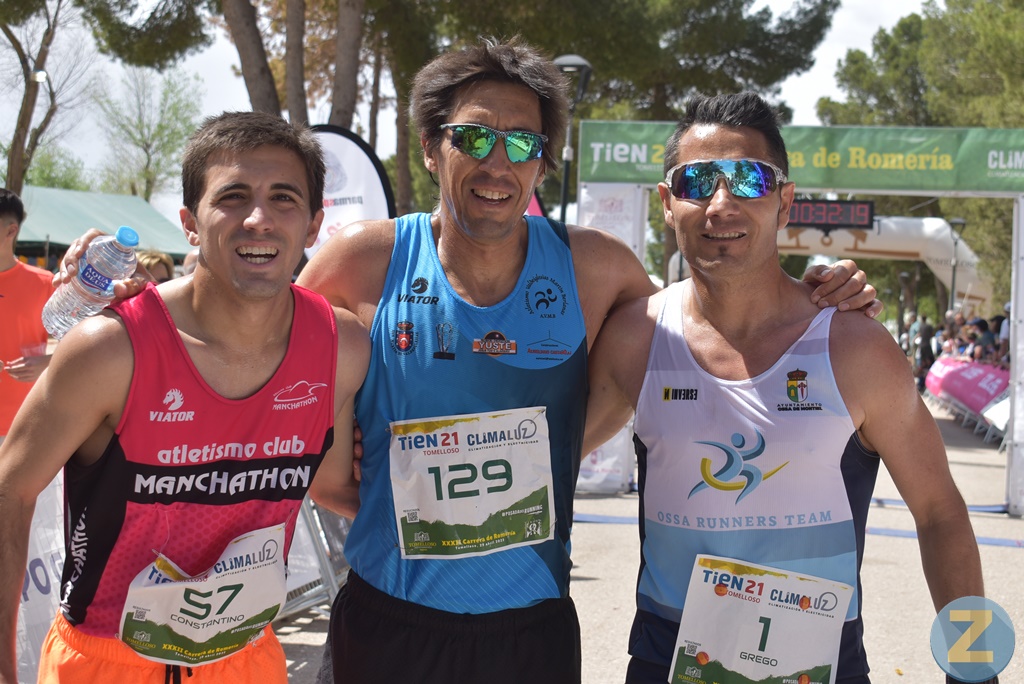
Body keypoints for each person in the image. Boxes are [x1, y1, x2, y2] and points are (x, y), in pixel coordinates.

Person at [295, 38, 878, 684]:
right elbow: (292, 421)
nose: (498, 163)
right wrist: (388, 495)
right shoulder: (360, 264)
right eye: (475, 139)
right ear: (432, 148)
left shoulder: (598, 269)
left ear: (542, 164)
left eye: (522, 144)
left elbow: (708, 332)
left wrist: (820, 290)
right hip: (388, 624)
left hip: (528, 634)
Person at [585, 92, 989, 684]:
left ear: (785, 200)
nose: (721, 202)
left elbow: (940, 512)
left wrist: (974, 670)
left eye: (749, 179)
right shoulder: (635, 337)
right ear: (668, 205)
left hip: (819, 665)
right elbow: (550, 459)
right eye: (697, 180)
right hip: (667, 659)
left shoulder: (856, 348)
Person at [0, 111, 369, 683]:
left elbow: (333, 485)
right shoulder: (110, 349)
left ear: (314, 224)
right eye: (233, 196)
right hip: (105, 663)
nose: (258, 219)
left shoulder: (339, 346)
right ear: (189, 223)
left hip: (247, 659)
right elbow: (10, 489)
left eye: (283, 198)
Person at [0, 189, 53, 445]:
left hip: (23, 424)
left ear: (11, 231)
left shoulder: (45, 284)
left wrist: (49, 362)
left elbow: (86, 341)